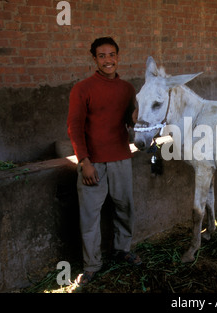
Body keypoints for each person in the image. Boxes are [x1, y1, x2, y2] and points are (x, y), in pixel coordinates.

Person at [67, 37, 141, 286]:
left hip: (121, 158)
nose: (108, 60)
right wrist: (84, 161)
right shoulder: (82, 88)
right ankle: (92, 265)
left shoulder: (128, 89)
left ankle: (122, 250)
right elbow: (74, 128)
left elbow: (130, 124)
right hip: (94, 164)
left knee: (125, 209)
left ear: (118, 57)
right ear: (94, 59)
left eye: (112, 55)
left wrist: (135, 120)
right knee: (90, 216)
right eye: (102, 56)